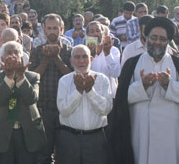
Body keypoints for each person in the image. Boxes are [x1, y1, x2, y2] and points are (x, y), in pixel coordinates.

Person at [110, 17, 179, 164]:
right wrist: (142, 86)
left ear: (168, 41)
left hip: (170, 133)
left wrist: (169, 86)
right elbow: (121, 99)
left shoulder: (176, 64)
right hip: (139, 131)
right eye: (154, 37)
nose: (157, 42)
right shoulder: (132, 63)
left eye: (162, 39)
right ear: (146, 37)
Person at [0, 41, 46, 163]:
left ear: (22, 57)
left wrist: (20, 77)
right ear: (2, 59)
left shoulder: (32, 77)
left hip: (27, 133)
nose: (13, 56)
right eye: (9, 53)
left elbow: (32, 99)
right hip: (3, 133)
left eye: (16, 53)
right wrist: (8, 77)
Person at [56, 45, 112, 164]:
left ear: (91, 59)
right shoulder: (64, 81)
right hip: (70, 139)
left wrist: (90, 91)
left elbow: (106, 109)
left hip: (96, 139)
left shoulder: (102, 79)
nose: (81, 61)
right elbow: (64, 110)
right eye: (77, 57)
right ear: (71, 61)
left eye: (85, 57)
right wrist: (79, 91)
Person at [28, 13, 72, 164]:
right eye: (49, 28)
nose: (53, 31)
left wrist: (57, 58)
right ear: (44, 30)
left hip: (64, 108)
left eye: (55, 28)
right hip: (43, 107)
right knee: (44, 152)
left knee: (64, 152)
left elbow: (71, 76)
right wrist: (46, 59)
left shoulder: (68, 50)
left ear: (61, 29)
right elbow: (33, 76)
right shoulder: (37, 50)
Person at [85, 21, 121, 98]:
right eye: (92, 31)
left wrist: (107, 53)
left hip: (109, 94)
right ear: (87, 35)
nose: (95, 34)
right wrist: (92, 55)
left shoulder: (113, 50)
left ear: (103, 33)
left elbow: (116, 73)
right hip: (90, 94)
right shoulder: (84, 51)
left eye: (98, 31)